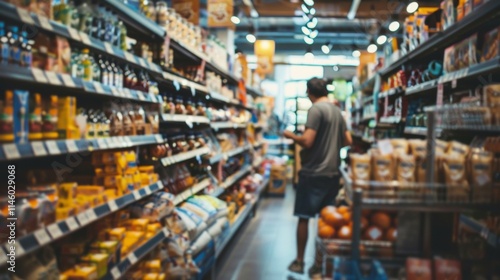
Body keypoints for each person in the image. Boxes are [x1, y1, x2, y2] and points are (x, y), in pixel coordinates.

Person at [283, 77, 352, 277]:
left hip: (312, 173)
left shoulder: (315, 110)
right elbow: (347, 140)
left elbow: (308, 141)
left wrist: (291, 136)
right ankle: (319, 265)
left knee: (304, 218)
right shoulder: (337, 111)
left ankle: (299, 261)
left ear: (309, 93)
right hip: (332, 174)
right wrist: (331, 147)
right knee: (326, 220)